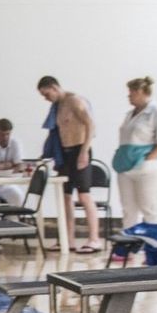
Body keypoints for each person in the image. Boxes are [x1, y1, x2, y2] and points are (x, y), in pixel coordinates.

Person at [37, 76, 102, 253]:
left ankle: (94, 238)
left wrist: (84, 152)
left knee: (84, 195)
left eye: (46, 94)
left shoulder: (75, 101)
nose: (46, 98)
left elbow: (90, 125)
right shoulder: (57, 107)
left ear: (54, 87)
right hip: (64, 154)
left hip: (80, 150)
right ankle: (68, 239)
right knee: (65, 197)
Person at [113, 77, 157, 226]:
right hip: (126, 167)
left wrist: (147, 160)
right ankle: (130, 245)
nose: (128, 96)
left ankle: (156, 246)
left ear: (140, 92)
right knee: (129, 210)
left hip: (148, 168)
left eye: (131, 92)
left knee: (150, 208)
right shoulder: (129, 114)